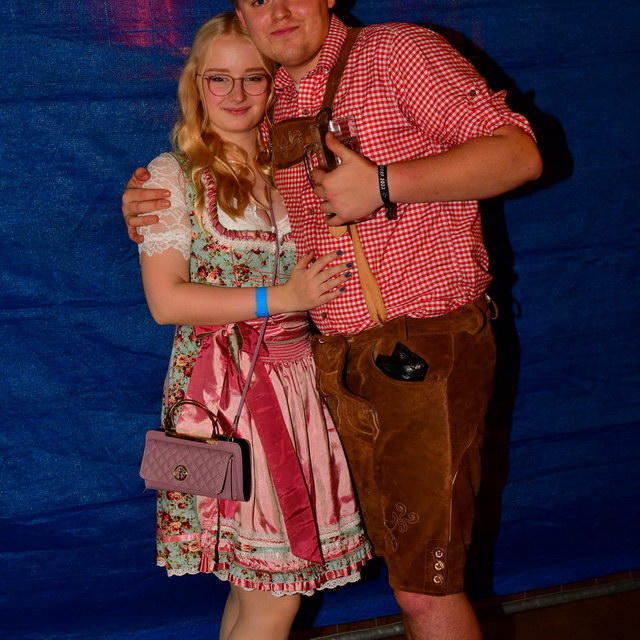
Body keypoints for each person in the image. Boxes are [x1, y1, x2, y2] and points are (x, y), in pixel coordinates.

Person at [123, 3, 543, 639]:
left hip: (409, 356)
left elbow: (520, 156)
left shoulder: (394, 53)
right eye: (219, 78)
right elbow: (171, 287)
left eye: (251, 78)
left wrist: (383, 184)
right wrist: (147, 200)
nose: (277, 12)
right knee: (259, 579)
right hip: (268, 385)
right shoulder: (268, 115)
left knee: (415, 583)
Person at [134, 12, 372, 640]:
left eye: (254, 78)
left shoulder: (293, 170)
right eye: (219, 78)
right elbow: (167, 302)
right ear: (197, 85)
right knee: (278, 593)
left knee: (255, 587)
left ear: (274, 84)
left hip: (299, 390)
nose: (236, 94)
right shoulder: (172, 176)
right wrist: (282, 297)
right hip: (219, 395)